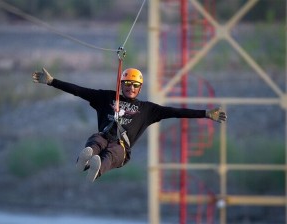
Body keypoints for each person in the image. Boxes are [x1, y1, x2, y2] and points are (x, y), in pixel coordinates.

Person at [32, 68, 227, 182]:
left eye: (134, 85)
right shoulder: (106, 97)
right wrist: (51, 81)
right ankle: (86, 157)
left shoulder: (148, 109)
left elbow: (176, 112)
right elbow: (78, 90)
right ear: (121, 85)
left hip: (121, 147)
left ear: (140, 88)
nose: (130, 88)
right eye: (127, 84)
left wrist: (206, 114)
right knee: (96, 140)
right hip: (104, 135)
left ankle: (97, 168)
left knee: (112, 154)